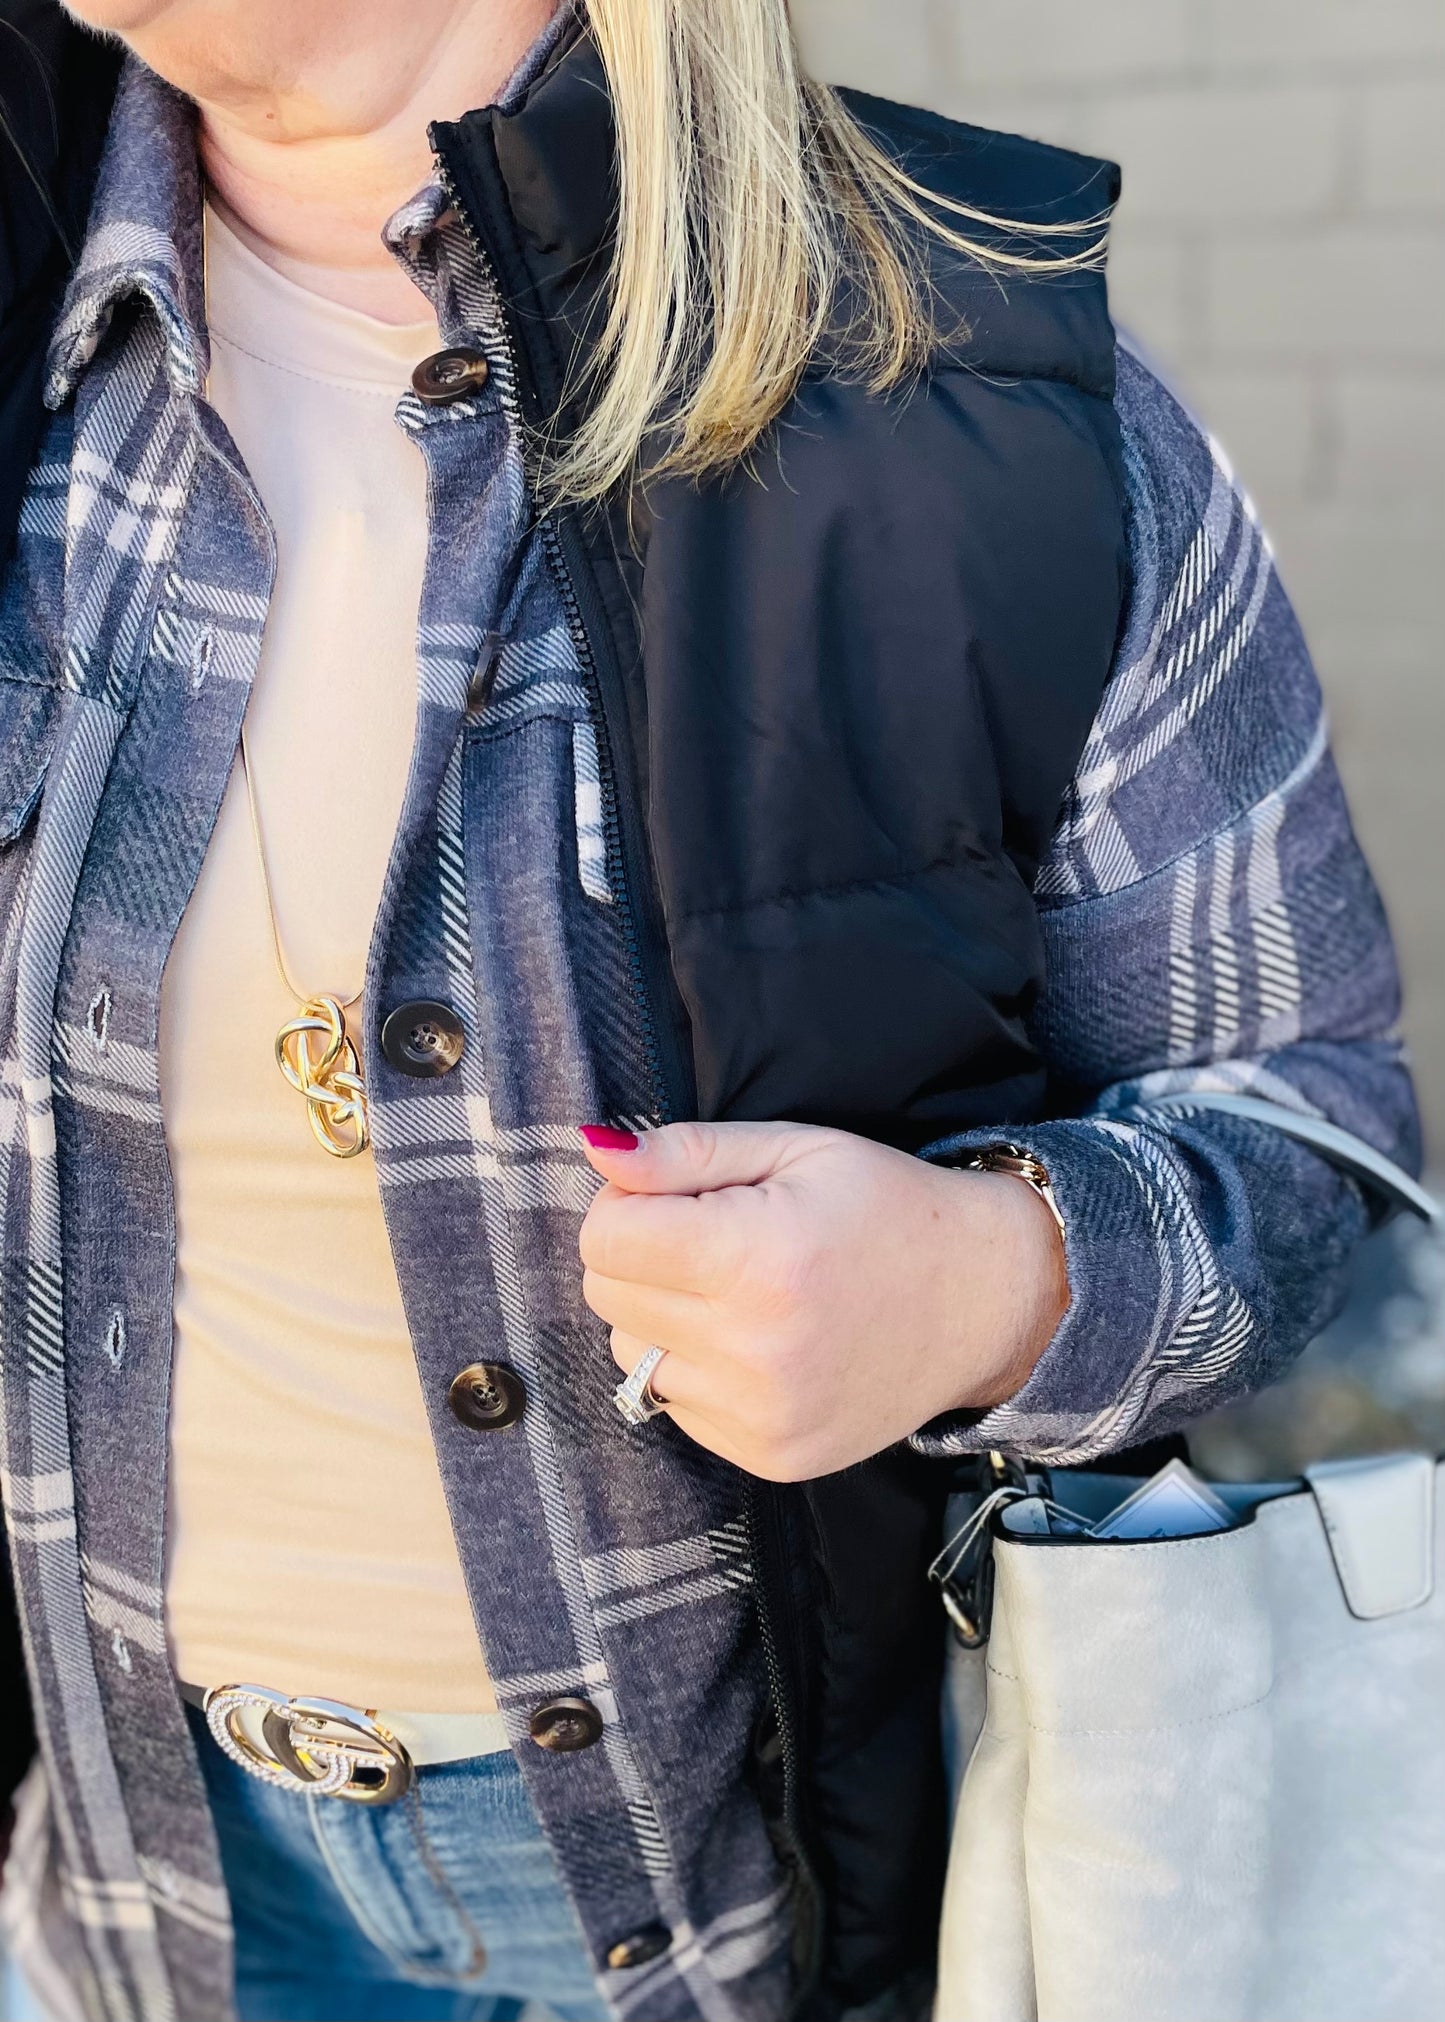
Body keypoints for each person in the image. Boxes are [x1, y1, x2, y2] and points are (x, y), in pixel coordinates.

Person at [0, 0, 1417, 2017]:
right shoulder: (28, 337)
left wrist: (991, 1279)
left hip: (756, 1932)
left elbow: (1310, 1128)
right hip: (137, 1906)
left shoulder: (995, 394)